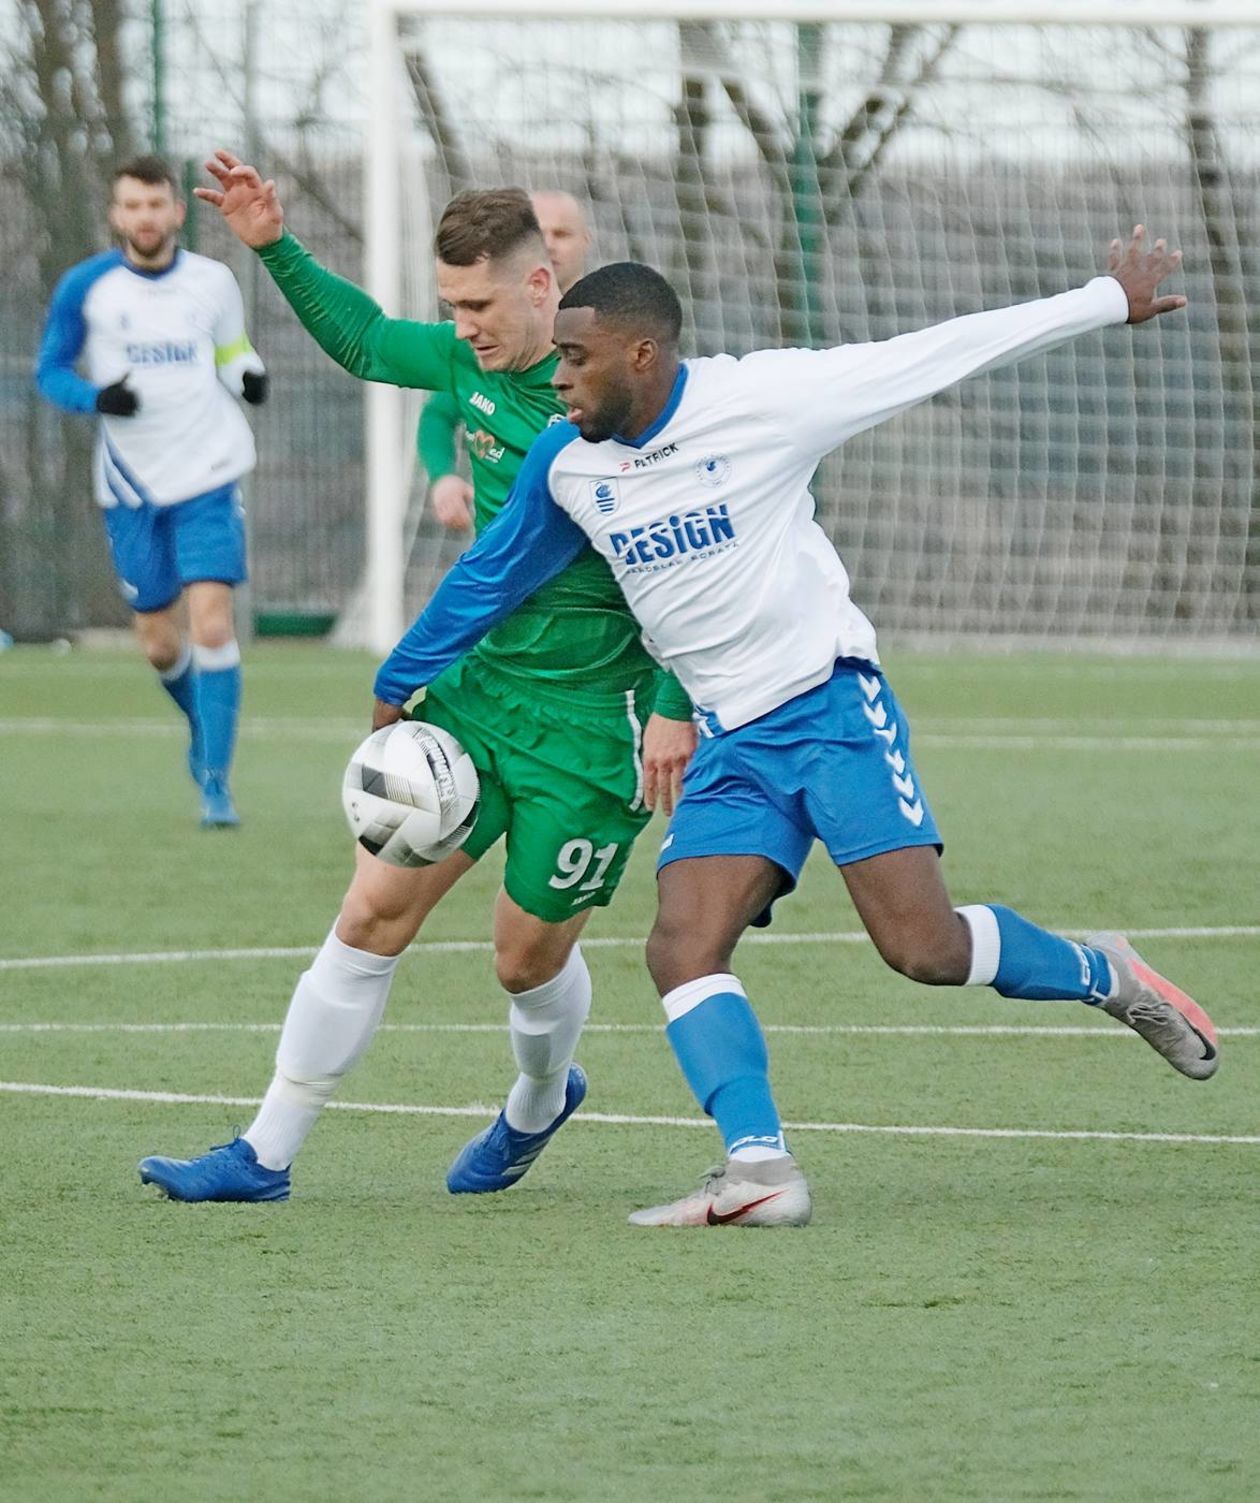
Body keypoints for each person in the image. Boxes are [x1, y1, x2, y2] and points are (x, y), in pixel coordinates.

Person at [351, 232, 1220, 1230]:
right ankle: (760, 1166)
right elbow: (494, 574)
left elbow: (938, 351)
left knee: (923, 950)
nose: (558, 379)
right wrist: (399, 677)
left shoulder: (766, 400)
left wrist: (1105, 297)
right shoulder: (569, 463)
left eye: (577, 360)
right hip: (729, 743)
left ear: (642, 355)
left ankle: (1104, 972)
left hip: (828, 709)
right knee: (682, 946)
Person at [138, 154, 695, 1203]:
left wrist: (674, 705)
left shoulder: (618, 404)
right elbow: (360, 340)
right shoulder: (461, 364)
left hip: (593, 725)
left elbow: (698, 569)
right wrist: (272, 245)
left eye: (480, 303)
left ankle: (538, 1100)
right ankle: (264, 1153)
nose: (465, 324)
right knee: (370, 914)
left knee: (523, 961)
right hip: (480, 697)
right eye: (451, 305)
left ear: (542, 287)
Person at [35, 154, 268, 827]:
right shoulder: (87, 288)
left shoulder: (213, 281)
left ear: (175, 211)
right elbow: (49, 372)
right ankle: (201, 725)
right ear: (117, 214)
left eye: (155, 204)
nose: (145, 217)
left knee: (214, 623)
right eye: (132, 206)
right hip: (131, 485)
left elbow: (231, 351)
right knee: (161, 645)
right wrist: (96, 396)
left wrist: (248, 375)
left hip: (210, 472)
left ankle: (216, 787)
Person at [420, 190, 592, 533]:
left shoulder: (609, 335)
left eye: (562, 234)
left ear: (587, 242)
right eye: (541, 233)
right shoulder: (487, 344)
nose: (550, 244)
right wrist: (443, 477)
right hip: (506, 561)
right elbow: (438, 414)